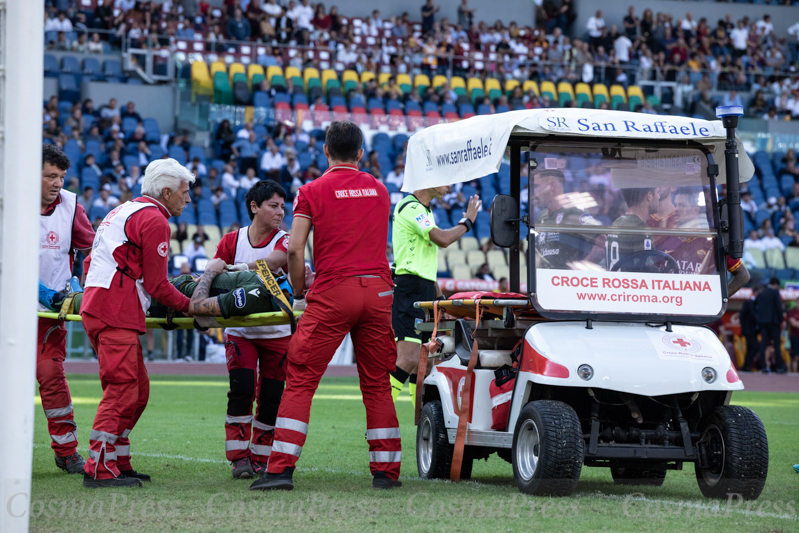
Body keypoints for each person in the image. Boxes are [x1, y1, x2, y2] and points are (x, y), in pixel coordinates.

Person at [250, 121, 401, 491]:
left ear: (325, 151)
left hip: (335, 291)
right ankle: (386, 473)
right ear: (361, 154)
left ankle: (280, 469)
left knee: (300, 380)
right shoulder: (381, 190)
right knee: (378, 383)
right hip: (379, 290)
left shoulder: (312, 191)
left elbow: (296, 248)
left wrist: (299, 289)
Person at [80, 158, 197, 488]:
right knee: (122, 389)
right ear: (166, 191)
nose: (188, 199)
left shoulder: (121, 211)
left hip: (102, 305)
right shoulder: (155, 220)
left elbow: (90, 260)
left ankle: (117, 460)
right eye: (184, 192)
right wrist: (193, 307)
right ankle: (99, 467)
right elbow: (159, 286)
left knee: (138, 391)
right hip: (116, 308)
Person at [211, 180, 296, 479]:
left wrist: (240, 269)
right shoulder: (230, 241)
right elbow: (213, 273)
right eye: (273, 206)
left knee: (271, 398)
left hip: (278, 335)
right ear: (254, 207)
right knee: (241, 391)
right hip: (241, 333)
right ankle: (238, 458)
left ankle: (261, 457)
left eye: (283, 206)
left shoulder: (287, 239)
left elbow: (275, 261)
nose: (280, 212)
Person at [388, 184, 481, 406]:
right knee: (409, 358)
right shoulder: (411, 207)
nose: (448, 186)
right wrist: (467, 222)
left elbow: (422, 260)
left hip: (425, 289)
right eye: (443, 181)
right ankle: (378, 418)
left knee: (425, 363)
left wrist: (437, 295)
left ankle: (420, 425)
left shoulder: (426, 211)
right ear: (425, 182)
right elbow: (443, 239)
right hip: (409, 289)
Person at [38, 145, 95, 474]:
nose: (57, 183)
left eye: (60, 177)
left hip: (49, 315)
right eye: (50, 176)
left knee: (51, 376)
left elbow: (93, 249)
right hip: (11, 309)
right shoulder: (10, 201)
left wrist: (81, 284)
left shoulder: (72, 206)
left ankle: (66, 450)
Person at [534, 169, 597, 270]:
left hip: (566, 282)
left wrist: (581, 270)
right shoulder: (542, 216)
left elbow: (602, 240)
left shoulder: (574, 210)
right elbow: (544, 253)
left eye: (536, 186)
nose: (534, 193)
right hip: (547, 282)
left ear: (552, 185)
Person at [606, 187, 659, 271]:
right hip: (629, 283)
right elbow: (647, 272)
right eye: (657, 192)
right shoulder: (640, 228)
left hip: (615, 282)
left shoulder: (618, 222)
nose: (659, 197)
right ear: (649, 196)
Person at [750, 277, 784, 373]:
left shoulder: (761, 293)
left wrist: (758, 318)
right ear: (776, 284)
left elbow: (753, 305)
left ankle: (763, 367)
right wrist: (781, 319)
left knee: (763, 345)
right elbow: (778, 308)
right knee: (776, 345)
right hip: (774, 322)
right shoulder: (775, 292)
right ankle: (779, 367)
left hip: (763, 323)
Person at [786, 301, 799, 373]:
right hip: (794, 337)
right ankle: (794, 373)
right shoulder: (792, 312)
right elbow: (793, 323)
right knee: (795, 357)